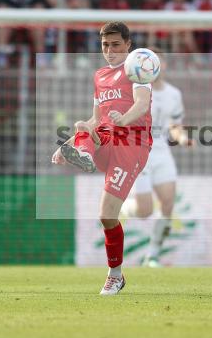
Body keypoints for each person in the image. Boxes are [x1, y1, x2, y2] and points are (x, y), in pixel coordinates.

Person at [52, 22, 153, 295]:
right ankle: (82, 152)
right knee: (82, 125)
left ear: (128, 44)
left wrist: (125, 119)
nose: (110, 51)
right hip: (106, 140)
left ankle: (115, 275)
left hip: (132, 144)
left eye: (116, 45)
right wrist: (66, 146)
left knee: (106, 216)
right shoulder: (99, 76)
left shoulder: (138, 68)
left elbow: (142, 105)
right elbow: (96, 119)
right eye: (105, 45)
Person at [122, 51, 192, 266]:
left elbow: (175, 125)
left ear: (164, 65)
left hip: (161, 152)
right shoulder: (136, 90)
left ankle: (152, 254)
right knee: (144, 211)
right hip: (139, 151)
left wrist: (182, 138)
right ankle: (122, 208)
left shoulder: (174, 94)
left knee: (168, 203)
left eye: (158, 61)